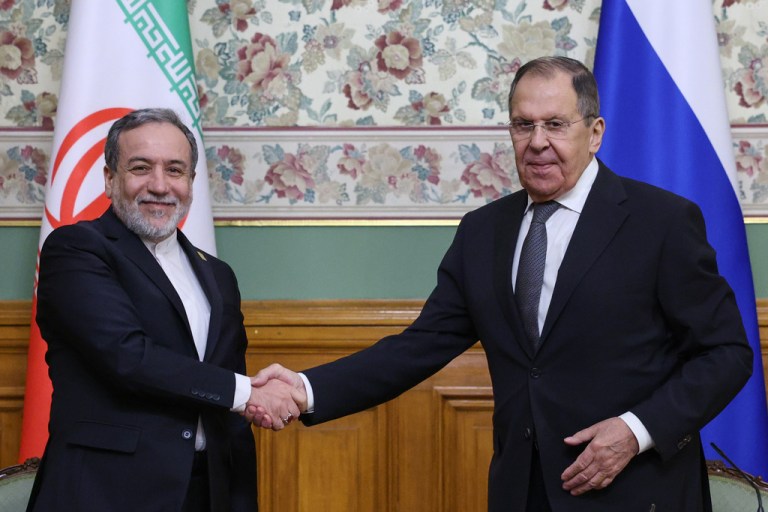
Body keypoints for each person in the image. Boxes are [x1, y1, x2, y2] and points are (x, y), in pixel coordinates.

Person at [251, 57, 753, 511]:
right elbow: (419, 346)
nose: (537, 141)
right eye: (522, 125)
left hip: (636, 491)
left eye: (556, 124)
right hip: (523, 491)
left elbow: (727, 353)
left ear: (595, 132)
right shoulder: (483, 231)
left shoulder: (660, 222)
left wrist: (634, 430)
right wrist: (306, 390)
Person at [26, 108, 300, 512]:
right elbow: (126, 356)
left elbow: (227, 407)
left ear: (190, 183)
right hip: (105, 492)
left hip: (208, 491)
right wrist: (247, 392)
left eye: (175, 170)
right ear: (109, 178)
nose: (159, 185)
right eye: (141, 167)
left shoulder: (218, 274)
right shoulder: (76, 249)